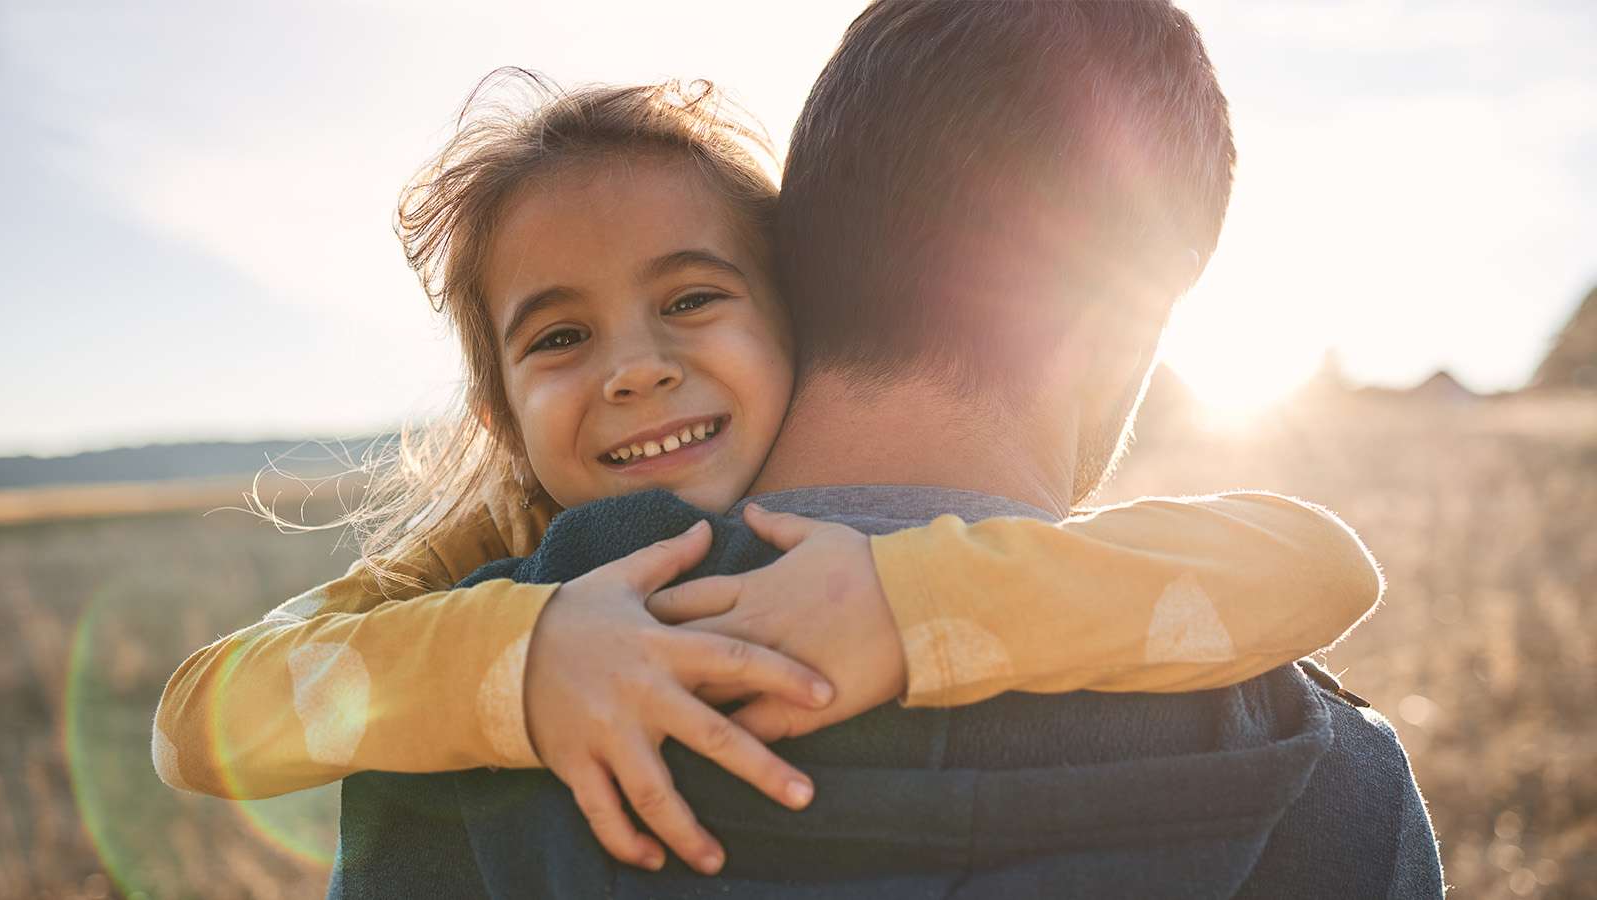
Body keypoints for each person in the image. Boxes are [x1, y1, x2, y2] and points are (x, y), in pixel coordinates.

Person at [329, 1, 1444, 896]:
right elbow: (1330, 565)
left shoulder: (460, 705)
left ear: (792, 271)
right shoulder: (1327, 773)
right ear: (1118, 328)